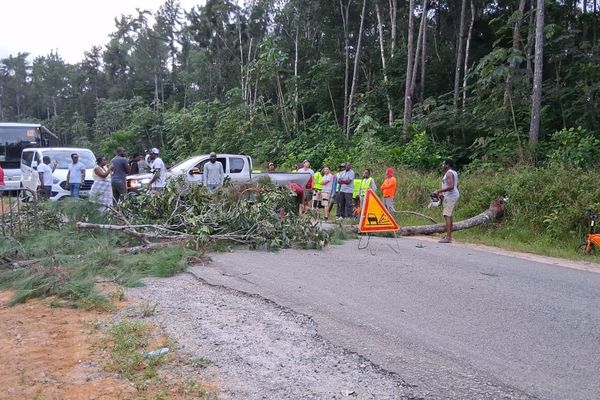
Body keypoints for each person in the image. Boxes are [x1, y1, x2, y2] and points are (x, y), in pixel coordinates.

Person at [434, 159, 460, 243]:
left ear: (447, 165)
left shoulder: (449, 173)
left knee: (447, 215)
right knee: (449, 215)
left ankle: (448, 238)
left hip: (451, 197)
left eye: (443, 164)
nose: (442, 165)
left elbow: (451, 186)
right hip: (451, 195)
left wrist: (439, 191)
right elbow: (456, 186)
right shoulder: (454, 172)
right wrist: (443, 195)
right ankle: (448, 235)